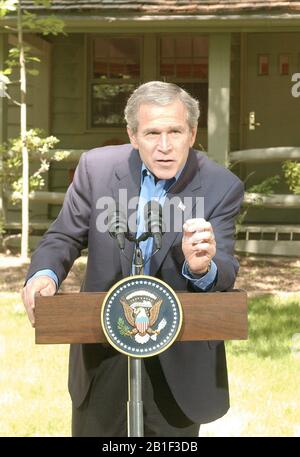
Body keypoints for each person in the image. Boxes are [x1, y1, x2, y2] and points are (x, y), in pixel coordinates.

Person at [22, 81, 244, 437]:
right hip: (102, 349)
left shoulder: (221, 185)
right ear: (132, 134)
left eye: (175, 131)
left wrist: (202, 266)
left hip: (178, 361)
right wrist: (44, 275)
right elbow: (64, 235)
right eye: (152, 133)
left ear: (192, 132)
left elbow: (227, 268)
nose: (165, 146)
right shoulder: (96, 168)